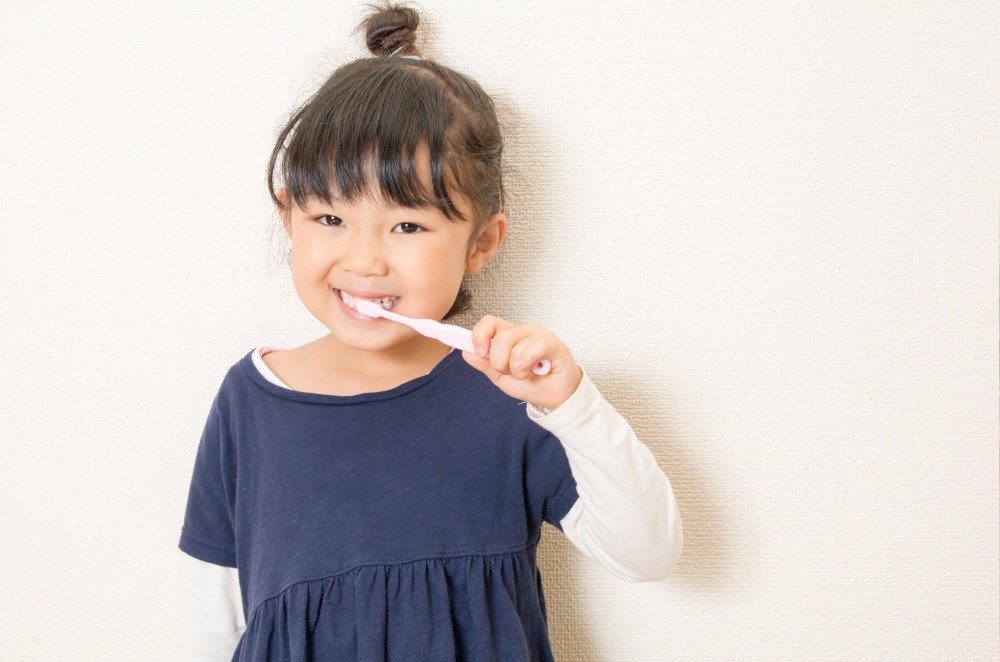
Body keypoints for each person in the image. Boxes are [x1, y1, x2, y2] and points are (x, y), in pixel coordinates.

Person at [177, 3, 682, 660]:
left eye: (407, 226)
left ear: (482, 243)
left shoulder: (509, 392)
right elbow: (212, 616)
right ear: (287, 217)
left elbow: (647, 554)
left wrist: (571, 404)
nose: (364, 261)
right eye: (329, 218)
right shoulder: (249, 401)